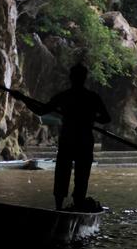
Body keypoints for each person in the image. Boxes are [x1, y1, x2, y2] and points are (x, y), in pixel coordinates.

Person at [11, 63, 111, 210]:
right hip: (82, 140)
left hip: (69, 140)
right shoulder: (92, 97)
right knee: (80, 176)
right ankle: (76, 204)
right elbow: (106, 118)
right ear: (84, 78)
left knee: (63, 174)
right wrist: (89, 118)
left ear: (71, 78)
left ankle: (60, 207)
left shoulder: (65, 96)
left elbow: (41, 110)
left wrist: (23, 99)